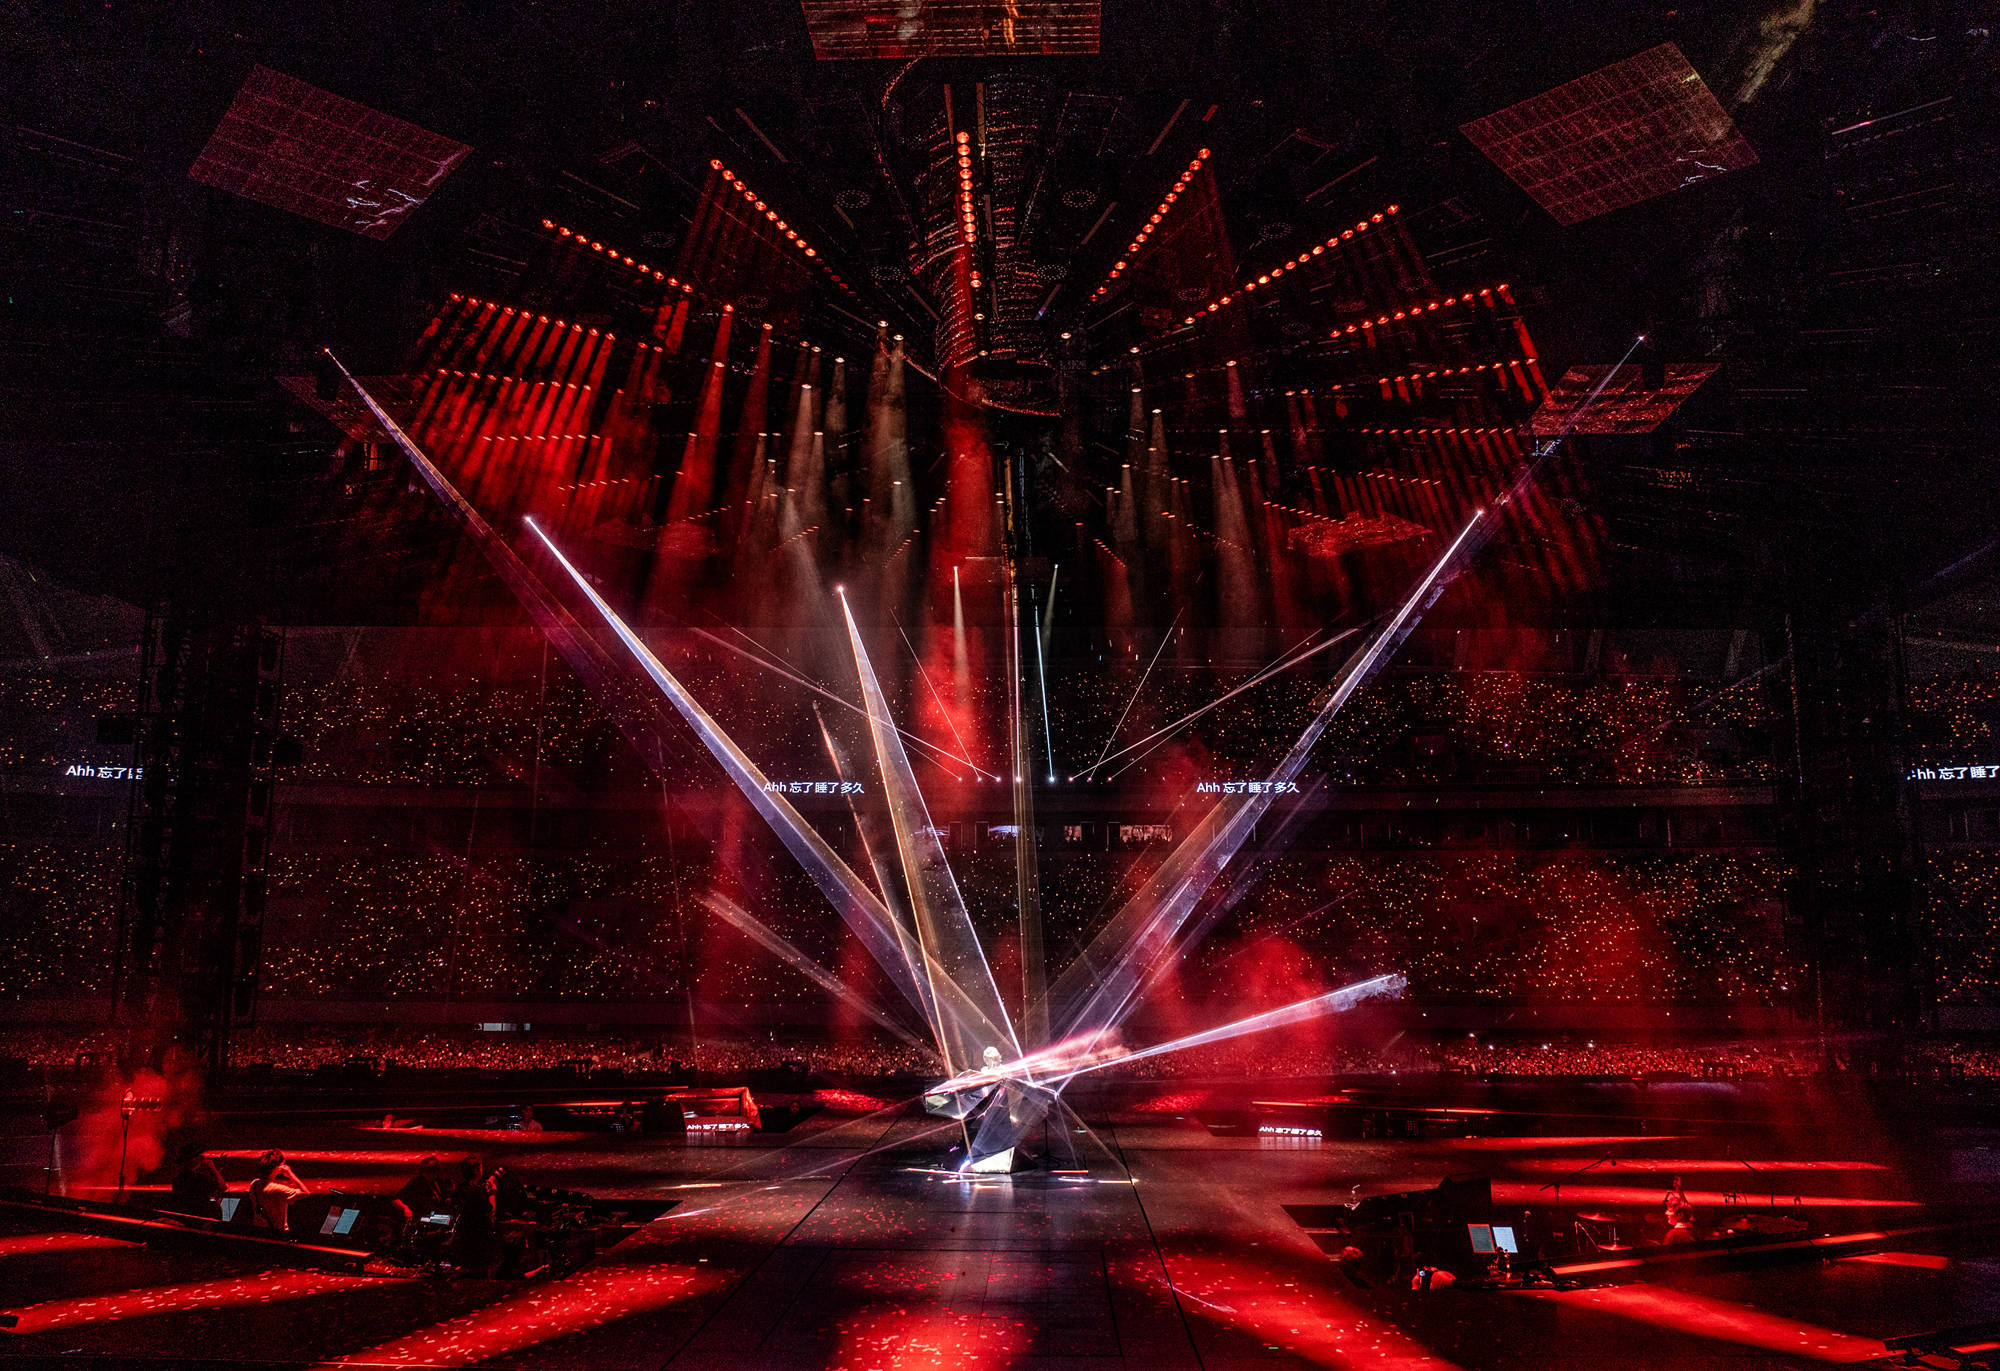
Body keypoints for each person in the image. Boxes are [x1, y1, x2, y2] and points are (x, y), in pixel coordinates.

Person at [450, 1155, 496, 1276]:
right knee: (479, 1272)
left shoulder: (460, 1189)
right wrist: (492, 1193)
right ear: (476, 1171)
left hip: (463, 1237)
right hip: (478, 1239)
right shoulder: (476, 1191)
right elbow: (490, 1211)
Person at [249, 1150, 308, 1232]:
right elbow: (306, 1192)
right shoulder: (279, 1190)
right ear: (278, 1167)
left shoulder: (254, 1184)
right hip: (278, 1234)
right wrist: (290, 1174)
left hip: (259, 1232)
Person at [166, 1144, 227, 1218]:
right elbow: (222, 1186)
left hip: (187, 1217)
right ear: (193, 1159)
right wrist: (212, 1168)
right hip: (201, 1218)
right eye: (199, 1156)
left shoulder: (178, 1179)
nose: (202, 1158)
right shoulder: (197, 1179)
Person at [1663, 1174, 1696, 1242]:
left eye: (1669, 1210)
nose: (1666, 1213)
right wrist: (1679, 1189)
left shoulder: (1672, 1235)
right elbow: (1686, 1208)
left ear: (1680, 1214)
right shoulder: (1692, 1228)